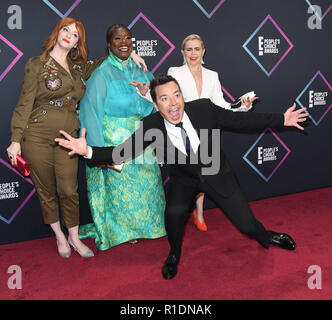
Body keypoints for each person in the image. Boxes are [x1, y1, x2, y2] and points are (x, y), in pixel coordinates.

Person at [55, 74, 308, 279]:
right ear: (155, 105)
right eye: (165, 98)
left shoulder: (204, 110)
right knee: (173, 215)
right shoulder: (151, 125)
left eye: (177, 95)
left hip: (215, 173)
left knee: (246, 225)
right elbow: (120, 153)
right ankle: (174, 253)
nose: (173, 103)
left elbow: (241, 122)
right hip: (185, 179)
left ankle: (265, 236)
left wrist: (281, 119)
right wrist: (86, 150)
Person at [6, 17, 147, 258]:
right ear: (58, 32)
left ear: (76, 44)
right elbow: (23, 105)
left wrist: (130, 54)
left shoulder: (79, 68)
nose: (69, 35)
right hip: (36, 136)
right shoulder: (36, 65)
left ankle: (74, 237)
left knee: (69, 190)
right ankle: (59, 236)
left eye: (75, 35)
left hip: (69, 138)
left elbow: (107, 59)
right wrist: (15, 139)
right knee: (46, 189)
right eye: (66, 30)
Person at [132, 34, 255, 231]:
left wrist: (242, 107)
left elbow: (220, 105)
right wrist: (145, 92)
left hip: (206, 131)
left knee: (208, 171)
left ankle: (199, 212)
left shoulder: (212, 75)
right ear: (182, 52)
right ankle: (191, 213)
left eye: (197, 49)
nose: (193, 53)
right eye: (188, 49)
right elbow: (165, 99)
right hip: (181, 132)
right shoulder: (175, 72)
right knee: (189, 174)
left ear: (203, 51)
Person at [77, 24, 166, 250]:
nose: (124, 42)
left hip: (144, 139)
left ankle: (150, 226)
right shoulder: (101, 75)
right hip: (114, 140)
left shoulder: (142, 70)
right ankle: (124, 231)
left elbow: (158, 103)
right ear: (109, 44)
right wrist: (98, 153)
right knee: (122, 189)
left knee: (149, 183)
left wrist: (148, 96)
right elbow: (91, 113)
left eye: (127, 38)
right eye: (118, 38)